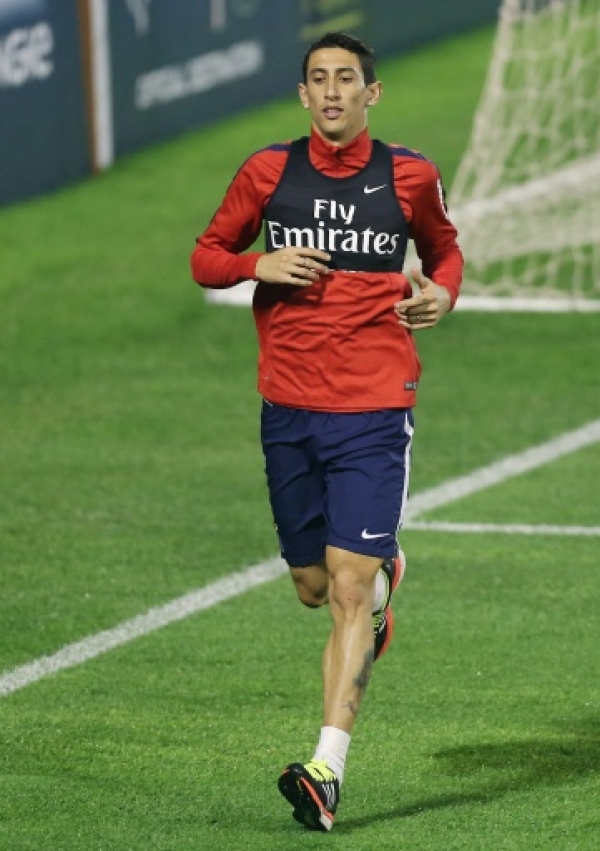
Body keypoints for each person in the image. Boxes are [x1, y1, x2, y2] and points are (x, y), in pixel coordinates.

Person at [190, 31, 463, 832]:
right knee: (315, 585)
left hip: (376, 406)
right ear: (303, 95)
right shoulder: (267, 173)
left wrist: (442, 294)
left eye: (347, 78)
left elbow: (445, 251)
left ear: (372, 93)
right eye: (320, 79)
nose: (334, 90)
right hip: (288, 407)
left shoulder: (410, 175)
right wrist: (257, 265)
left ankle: (326, 770)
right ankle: (383, 583)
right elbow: (207, 256)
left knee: (344, 586)